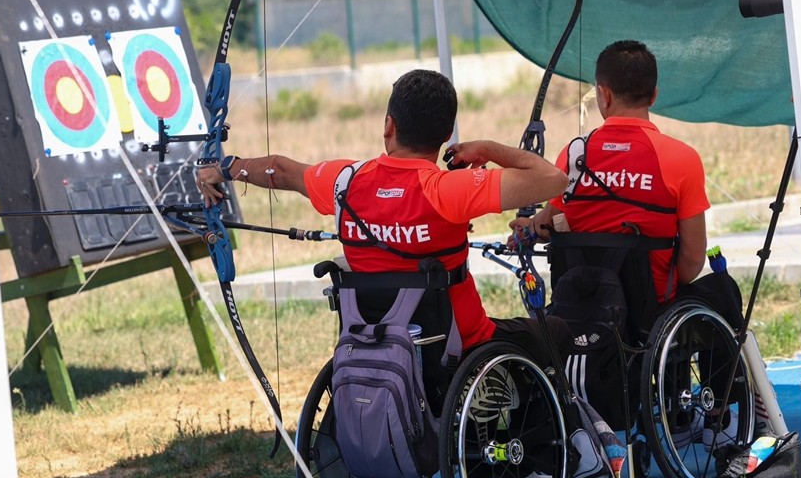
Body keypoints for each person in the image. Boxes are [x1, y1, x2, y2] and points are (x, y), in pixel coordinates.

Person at [196, 68, 574, 369]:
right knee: (556, 330)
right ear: (445, 135)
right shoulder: (449, 190)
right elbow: (553, 179)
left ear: (389, 126)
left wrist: (227, 168)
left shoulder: (345, 182)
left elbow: (280, 169)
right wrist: (488, 147)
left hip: (373, 344)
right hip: (461, 347)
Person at [513, 40, 719, 316]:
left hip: (580, 306)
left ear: (604, 94)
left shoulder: (573, 155)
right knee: (721, 291)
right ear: (654, 95)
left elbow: (552, 220)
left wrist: (529, 228)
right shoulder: (682, 158)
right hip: (652, 309)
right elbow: (693, 258)